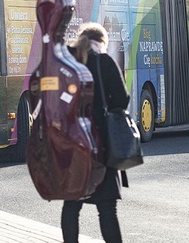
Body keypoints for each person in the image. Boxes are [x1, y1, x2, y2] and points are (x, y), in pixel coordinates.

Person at [62, 22, 130, 243]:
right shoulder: (104, 62)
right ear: (101, 42)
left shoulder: (68, 61)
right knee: (107, 208)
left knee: (71, 204)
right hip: (100, 141)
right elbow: (121, 99)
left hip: (72, 141)